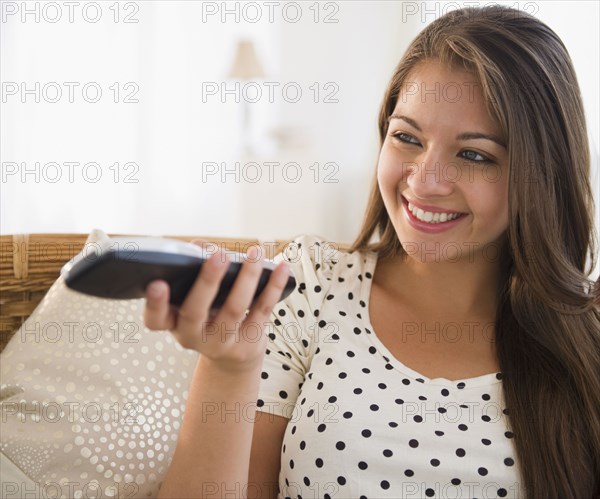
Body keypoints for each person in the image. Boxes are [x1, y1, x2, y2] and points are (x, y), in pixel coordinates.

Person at [143, 5, 600, 498]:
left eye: (473, 154)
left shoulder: (585, 340)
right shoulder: (309, 283)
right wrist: (228, 367)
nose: (424, 182)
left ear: (543, 175)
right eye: (407, 137)